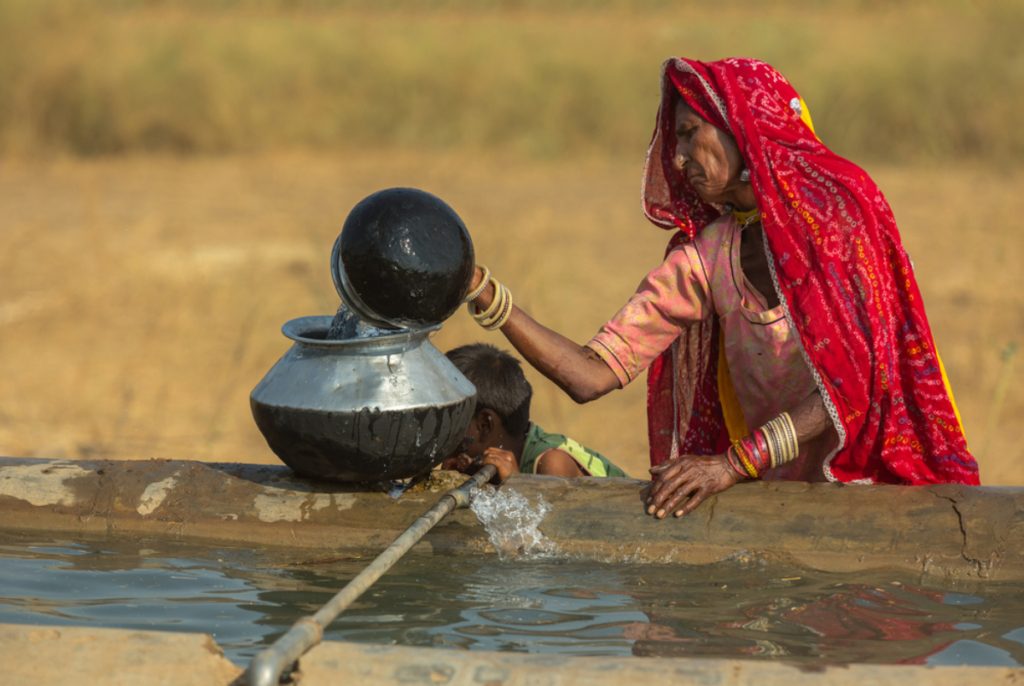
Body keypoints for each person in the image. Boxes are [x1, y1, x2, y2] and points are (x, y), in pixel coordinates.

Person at [462, 57, 979, 517]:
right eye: (677, 140)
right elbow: (590, 376)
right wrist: (483, 291)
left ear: (742, 128)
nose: (680, 157)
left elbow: (852, 386)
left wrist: (731, 465)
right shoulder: (711, 253)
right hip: (778, 500)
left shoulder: (839, 214)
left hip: (880, 485)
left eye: (689, 133)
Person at [441, 343, 627, 481]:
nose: (438, 437)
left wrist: (516, 486)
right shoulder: (496, 456)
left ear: (485, 424)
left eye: (446, 424)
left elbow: (552, 530)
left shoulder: (552, 464)